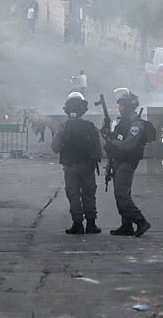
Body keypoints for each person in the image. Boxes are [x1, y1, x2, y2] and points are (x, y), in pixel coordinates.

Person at [51, 92, 104, 235]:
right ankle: (91, 225)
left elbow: (55, 147)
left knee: (73, 194)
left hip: (70, 166)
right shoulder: (91, 127)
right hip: (88, 166)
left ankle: (77, 224)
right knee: (89, 193)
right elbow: (101, 148)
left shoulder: (64, 128)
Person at [102, 88, 151, 237]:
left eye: (122, 105)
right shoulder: (123, 122)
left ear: (130, 107)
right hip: (119, 160)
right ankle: (126, 225)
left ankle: (141, 221)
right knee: (121, 194)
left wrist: (112, 141)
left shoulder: (136, 124)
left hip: (127, 162)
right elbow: (116, 140)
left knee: (122, 195)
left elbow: (128, 144)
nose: (120, 108)